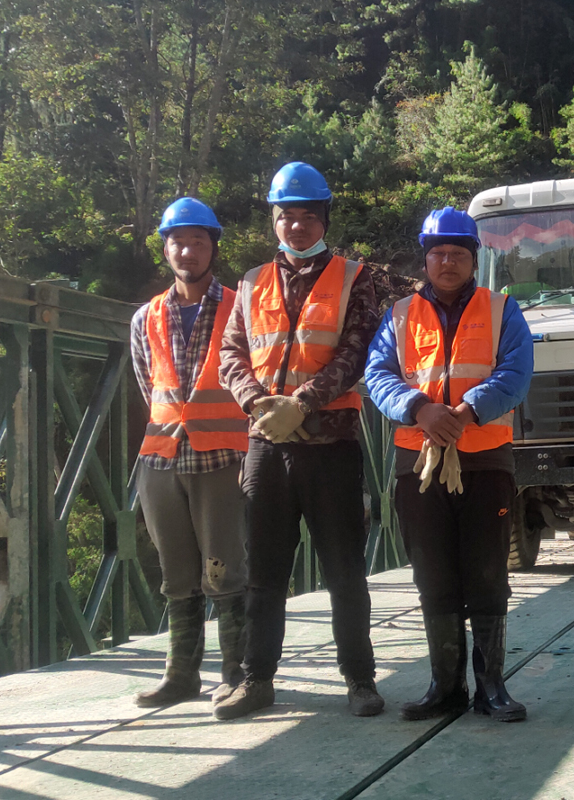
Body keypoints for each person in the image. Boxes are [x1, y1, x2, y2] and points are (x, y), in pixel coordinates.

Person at [215, 162, 383, 720]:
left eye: (308, 216)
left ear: (324, 220)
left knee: (344, 571)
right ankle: (256, 679)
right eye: (286, 215)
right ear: (274, 220)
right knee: (264, 572)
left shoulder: (354, 278)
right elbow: (231, 353)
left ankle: (360, 679)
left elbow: (357, 351)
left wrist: (302, 403)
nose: (296, 225)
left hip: (330, 445)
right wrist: (256, 403)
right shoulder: (250, 282)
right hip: (267, 445)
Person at [364, 207, 533, 722]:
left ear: (473, 259)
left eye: (457, 253)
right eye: (438, 253)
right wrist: (420, 409)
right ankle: (446, 686)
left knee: (486, 572)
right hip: (418, 465)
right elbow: (378, 374)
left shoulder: (502, 309)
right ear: (426, 259)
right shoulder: (399, 316)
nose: (447, 262)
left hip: (484, 460)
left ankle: (491, 687)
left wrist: (466, 411)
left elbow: (516, 371)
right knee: (433, 574)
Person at [130, 197, 249, 711]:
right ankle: (181, 675)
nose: (187, 250)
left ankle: (236, 673)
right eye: (178, 241)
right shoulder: (146, 316)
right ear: (166, 249)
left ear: (212, 248)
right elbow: (147, 382)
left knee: (225, 571)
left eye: (198, 241)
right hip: (162, 456)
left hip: (221, 457)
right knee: (176, 574)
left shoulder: (240, 306)